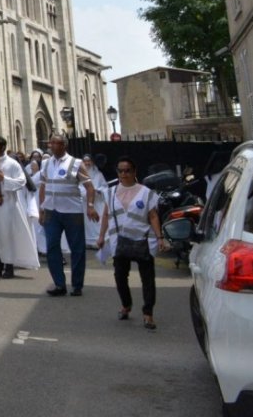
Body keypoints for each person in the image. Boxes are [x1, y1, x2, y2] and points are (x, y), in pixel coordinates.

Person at [96, 156, 165, 329]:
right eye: (120, 171)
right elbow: (106, 215)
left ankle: (148, 314)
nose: (124, 174)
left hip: (143, 240)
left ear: (134, 172)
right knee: (120, 277)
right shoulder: (110, 192)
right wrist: (101, 236)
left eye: (127, 170)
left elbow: (153, 215)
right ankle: (126, 305)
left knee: (148, 279)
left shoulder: (146, 192)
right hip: (119, 241)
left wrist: (159, 237)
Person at [37, 135, 100, 296]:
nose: (52, 146)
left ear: (64, 145)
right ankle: (59, 284)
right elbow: (43, 187)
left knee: (77, 249)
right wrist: (41, 208)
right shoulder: (45, 163)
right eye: (50, 143)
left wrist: (90, 206)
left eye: (56, 143)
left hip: (72, 212)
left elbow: (89, 187)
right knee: (52, 247)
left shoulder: (76, 163)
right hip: (52, 211)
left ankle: (77, 285)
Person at [0, 136, 39, 279]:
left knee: (6, 234)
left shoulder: (13, 164)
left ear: (3, 147)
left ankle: (9, 265)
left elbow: (21, 182)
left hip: (8, 204)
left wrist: (4, 180)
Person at [83, 153, 108, 248]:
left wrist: (99, 191)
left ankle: (99, 240)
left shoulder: (98, 174)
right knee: (88, 224)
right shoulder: (81, 174)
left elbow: (105, 186)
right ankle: (88, 242)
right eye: (85, 161)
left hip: (97, 202)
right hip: (85, 202)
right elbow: (79, 187)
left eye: (88, 161)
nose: (87, 163)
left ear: (92, 162)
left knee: (98, 221)